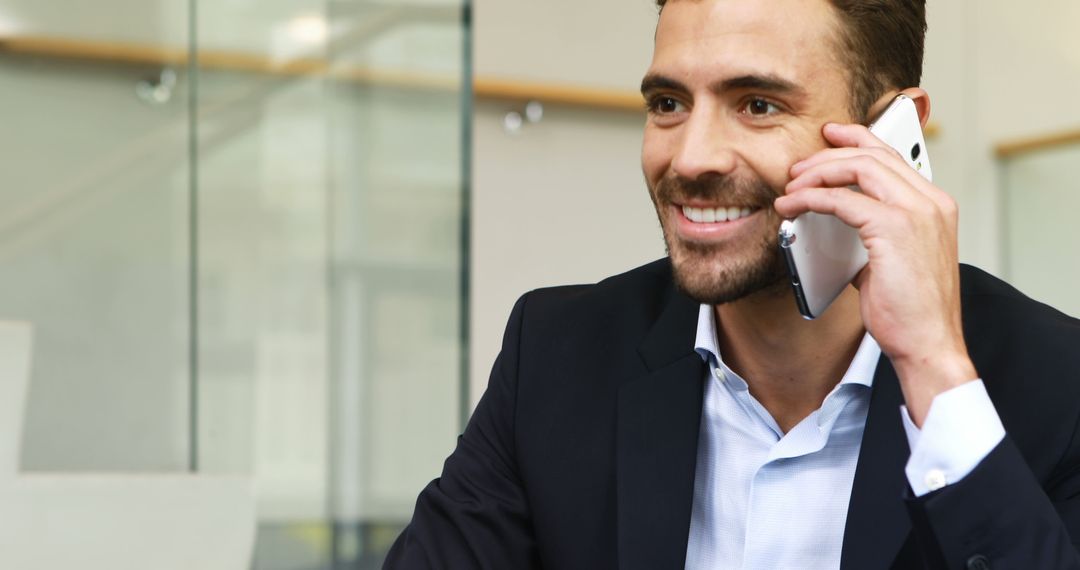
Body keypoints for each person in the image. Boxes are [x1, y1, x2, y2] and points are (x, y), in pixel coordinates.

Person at [385, 0, 1080, 567]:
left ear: (893, 134)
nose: (689, 158)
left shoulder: (1056, 382)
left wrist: (933, 370)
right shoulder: (556, 354)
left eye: (757, 104)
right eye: (667, 101)